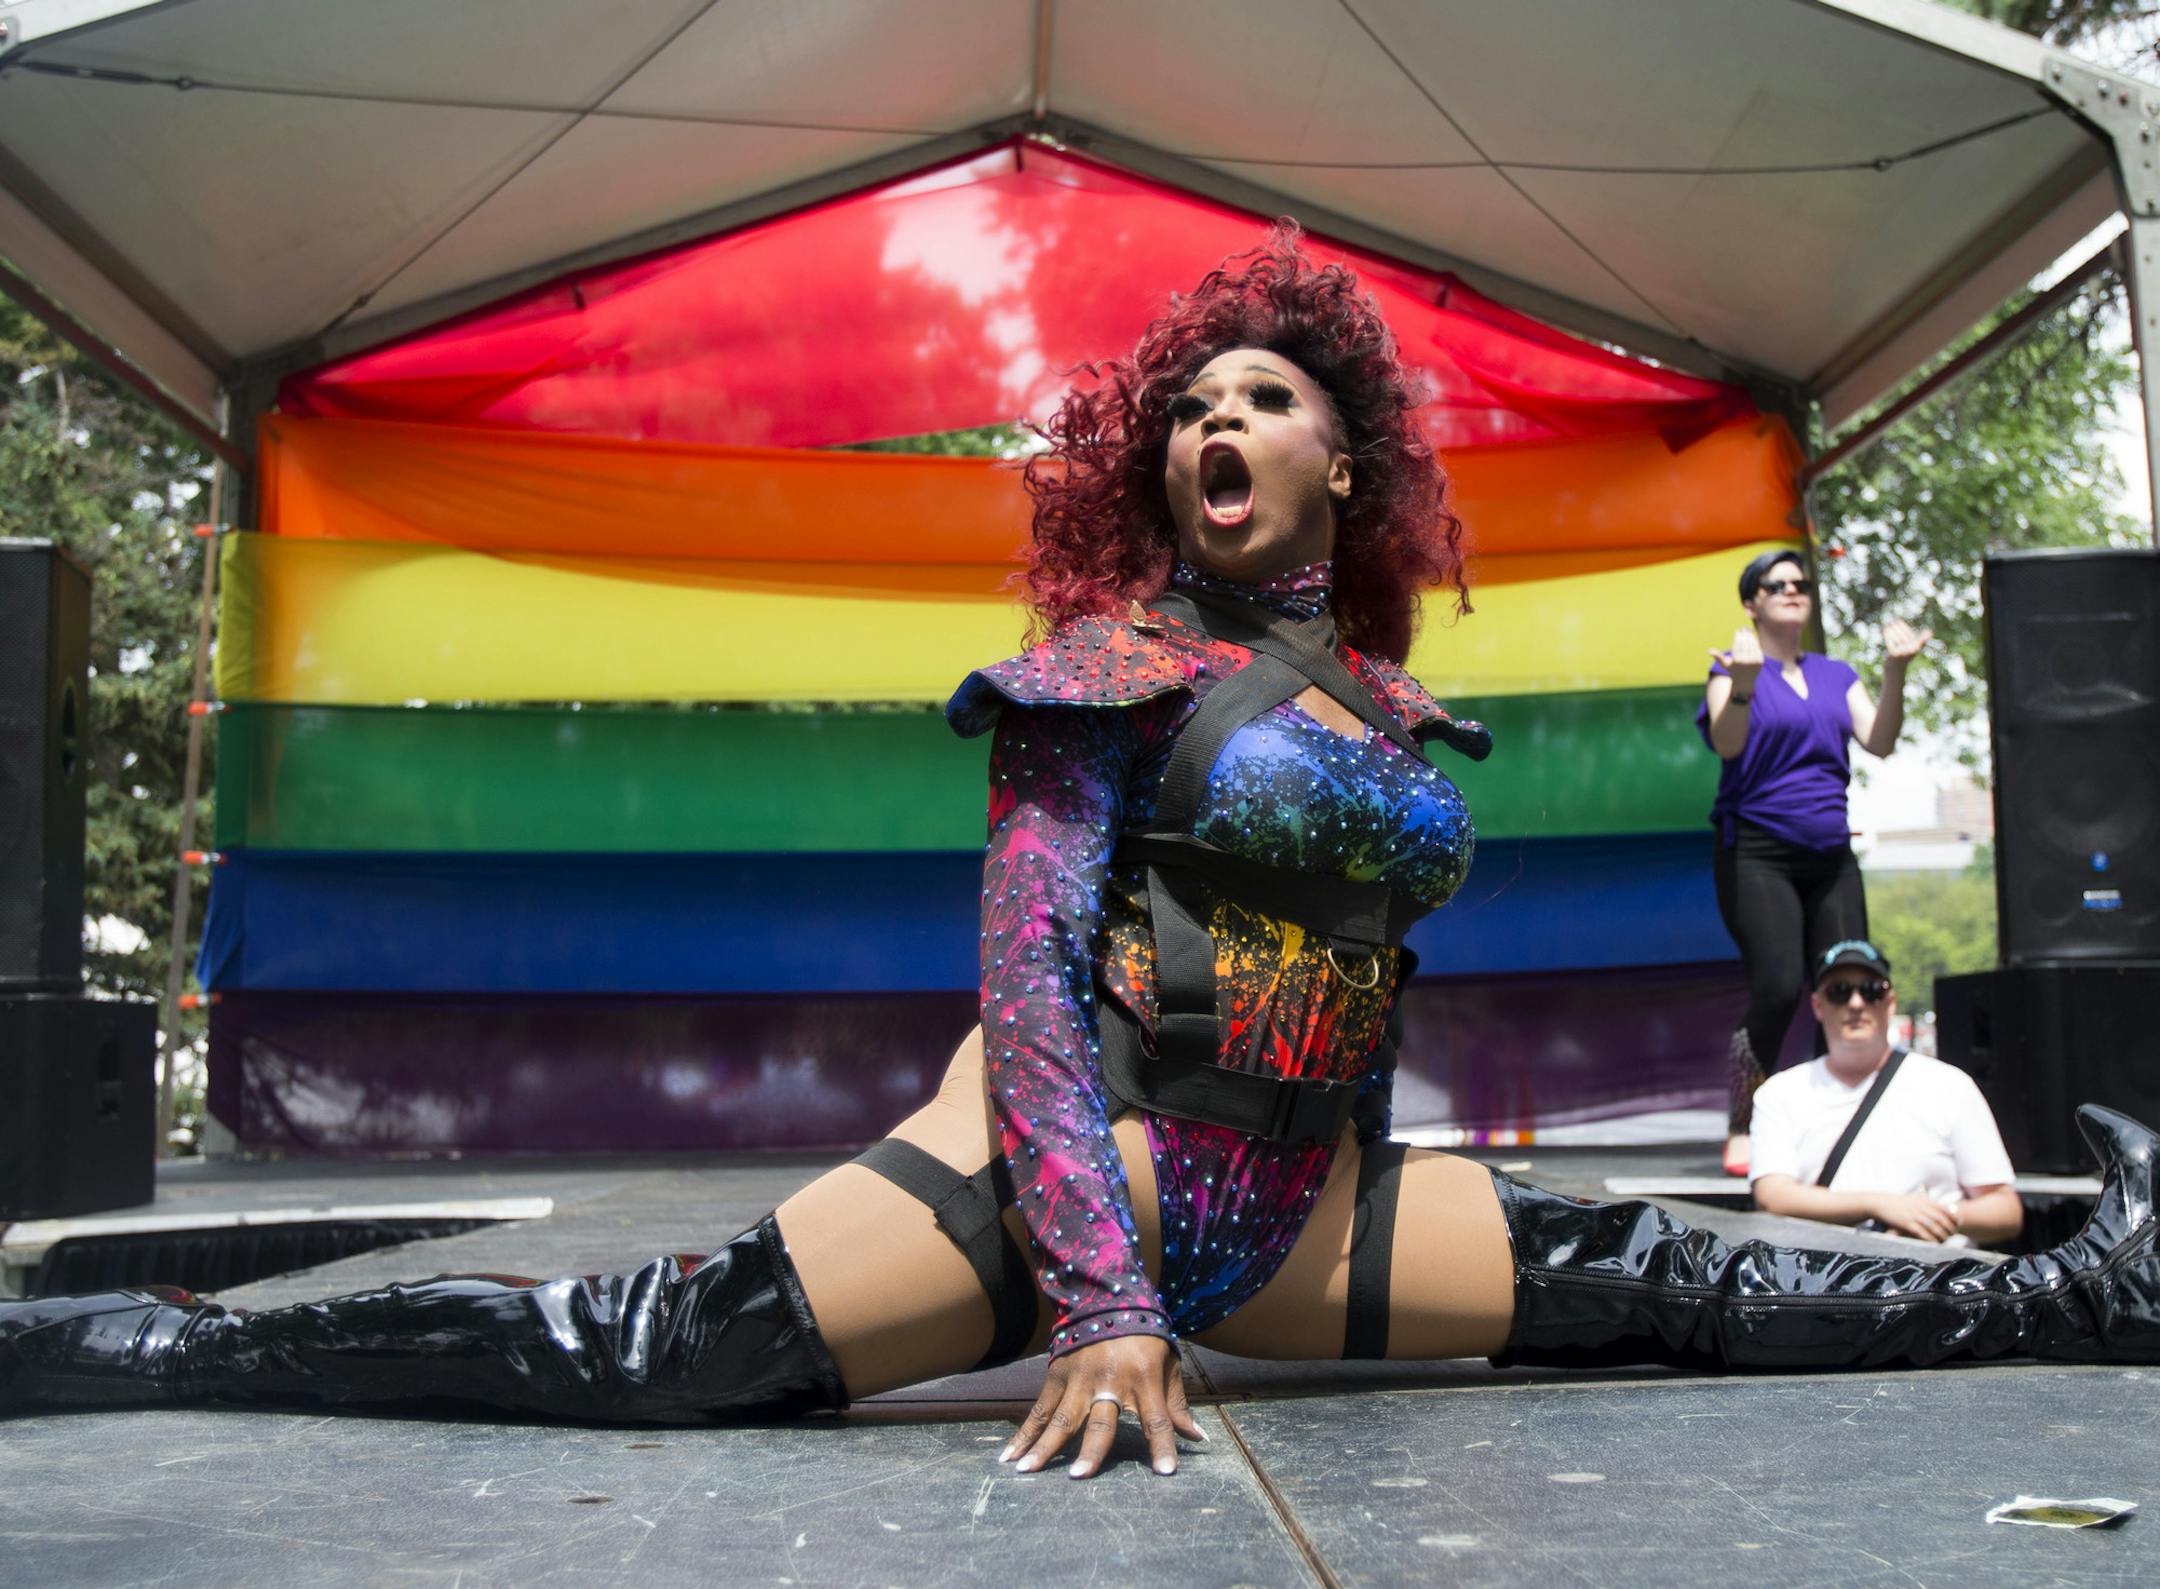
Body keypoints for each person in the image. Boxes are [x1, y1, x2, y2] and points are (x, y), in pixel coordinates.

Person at [5, 232, 2157, 1477]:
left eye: (1260, 399)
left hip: (1306, 1199)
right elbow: (1033, 986)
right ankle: (145, 1343)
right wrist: (1104, 1296)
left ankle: (2085, 1295)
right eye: (1186, 409)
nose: (1215, 427)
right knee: (634, 1344)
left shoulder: (1399, 712)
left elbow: (1353, 963)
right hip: (1074, 1175)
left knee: (1652, 1270)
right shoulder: (1098, 671)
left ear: (1346, 452)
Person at [1700, 548, 1931, 1176]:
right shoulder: (1732, 669)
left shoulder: (1836, 675)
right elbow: (1726, 741)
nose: (1793, 591)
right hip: (1758, 853)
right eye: (1778, 585)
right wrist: (1745, 682)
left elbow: (1879, 740)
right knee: (1777, 986)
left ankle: (1850, 1125)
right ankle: (1744, 1121)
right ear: (1753, 602)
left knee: (1849, 986)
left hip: (1831, 855)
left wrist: (1894, 670)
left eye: (1801, 583)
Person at [1751, 940, 2023, 1248]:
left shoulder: (1950, 1085)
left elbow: (2006, 1209)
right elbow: (1773, 1196)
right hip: (1822, 1283)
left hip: (1932, 1283)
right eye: (1839, 991)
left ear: (1890, 1002)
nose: (1856, 1003)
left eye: (1871, 991)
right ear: (1817, 1005)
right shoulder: (1779, 1093)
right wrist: (1880, 1205)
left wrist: (1939, 1215)